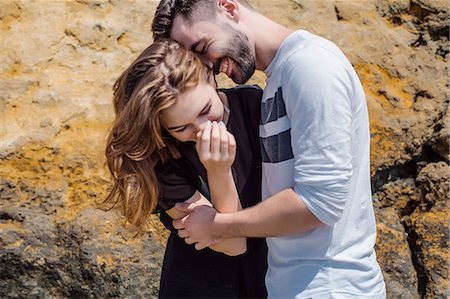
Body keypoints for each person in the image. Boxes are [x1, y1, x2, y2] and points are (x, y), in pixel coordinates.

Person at [151, 0, 386, 298]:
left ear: (227, 7)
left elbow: (321, 203)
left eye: (202, 46)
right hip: (290, 286)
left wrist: (218, 226)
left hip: (332, 286)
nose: (207, 65)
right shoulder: (276, 82)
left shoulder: (311, 65)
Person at [103, 38, 267, 298]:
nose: (202, 129)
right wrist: (218, 171)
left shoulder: (256, 107)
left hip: (271, 276)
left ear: (211, 79)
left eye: (206, 110)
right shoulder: (160, 160)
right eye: (181, 128)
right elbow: (234, 243)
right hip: (202, 285)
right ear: (162, 129)